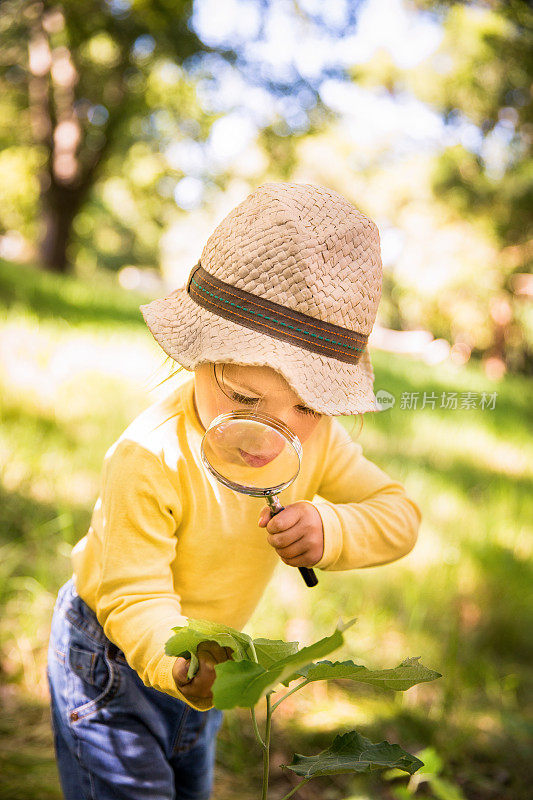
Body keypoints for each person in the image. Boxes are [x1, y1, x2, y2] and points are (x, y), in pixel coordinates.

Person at [47, 182, 422, 800]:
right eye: (245, 400)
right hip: (113, 664)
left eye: (305, 408)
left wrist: (332, 530)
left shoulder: (320, 443)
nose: (269, 437)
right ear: (194, 354)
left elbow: (399, 515)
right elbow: (132, 594)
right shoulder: (151, 457)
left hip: (207, 671)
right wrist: (177, 665)